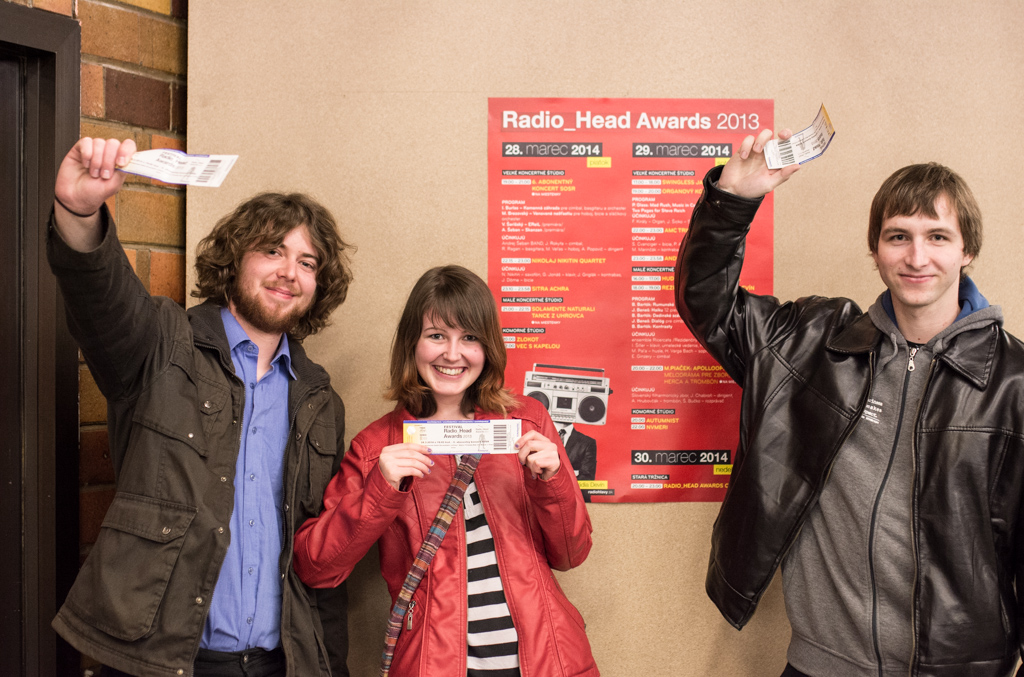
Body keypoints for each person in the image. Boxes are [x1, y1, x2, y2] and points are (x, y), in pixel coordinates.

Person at [675, 128, 1024, 676]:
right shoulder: (812, 343)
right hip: (817, 665)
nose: (916, 257)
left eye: (937, 236)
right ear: (876, 251)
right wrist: (732, 201)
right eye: (898, 236)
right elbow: (708, 305)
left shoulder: (1013, 381)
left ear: (967, 250)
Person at [48, 138, 353, 677]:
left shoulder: (319, 400)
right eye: (273, 251)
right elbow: (102, 299)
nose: (290, 271)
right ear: (234, 259)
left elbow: (318, 558)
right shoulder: (163, 345)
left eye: (307, 262)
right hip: (165, 662)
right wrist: (80, 213)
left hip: (281, 664)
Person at [293, 265, 598, 677]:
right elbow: (316, 568)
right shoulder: (376, 446)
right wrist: (380, 490)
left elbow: (571, 554)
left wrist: (552, 481)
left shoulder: (527, 420)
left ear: (488, 347)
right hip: (434, 663)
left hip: (549, 660)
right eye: (436, 335)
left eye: (469, 337)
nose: (452, 354)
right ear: (412, 343)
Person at [555, 422, 597, 502]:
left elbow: (587, 478)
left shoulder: (588, 442)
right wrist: (574, 472)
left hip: (575, 501)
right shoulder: (540, 434)